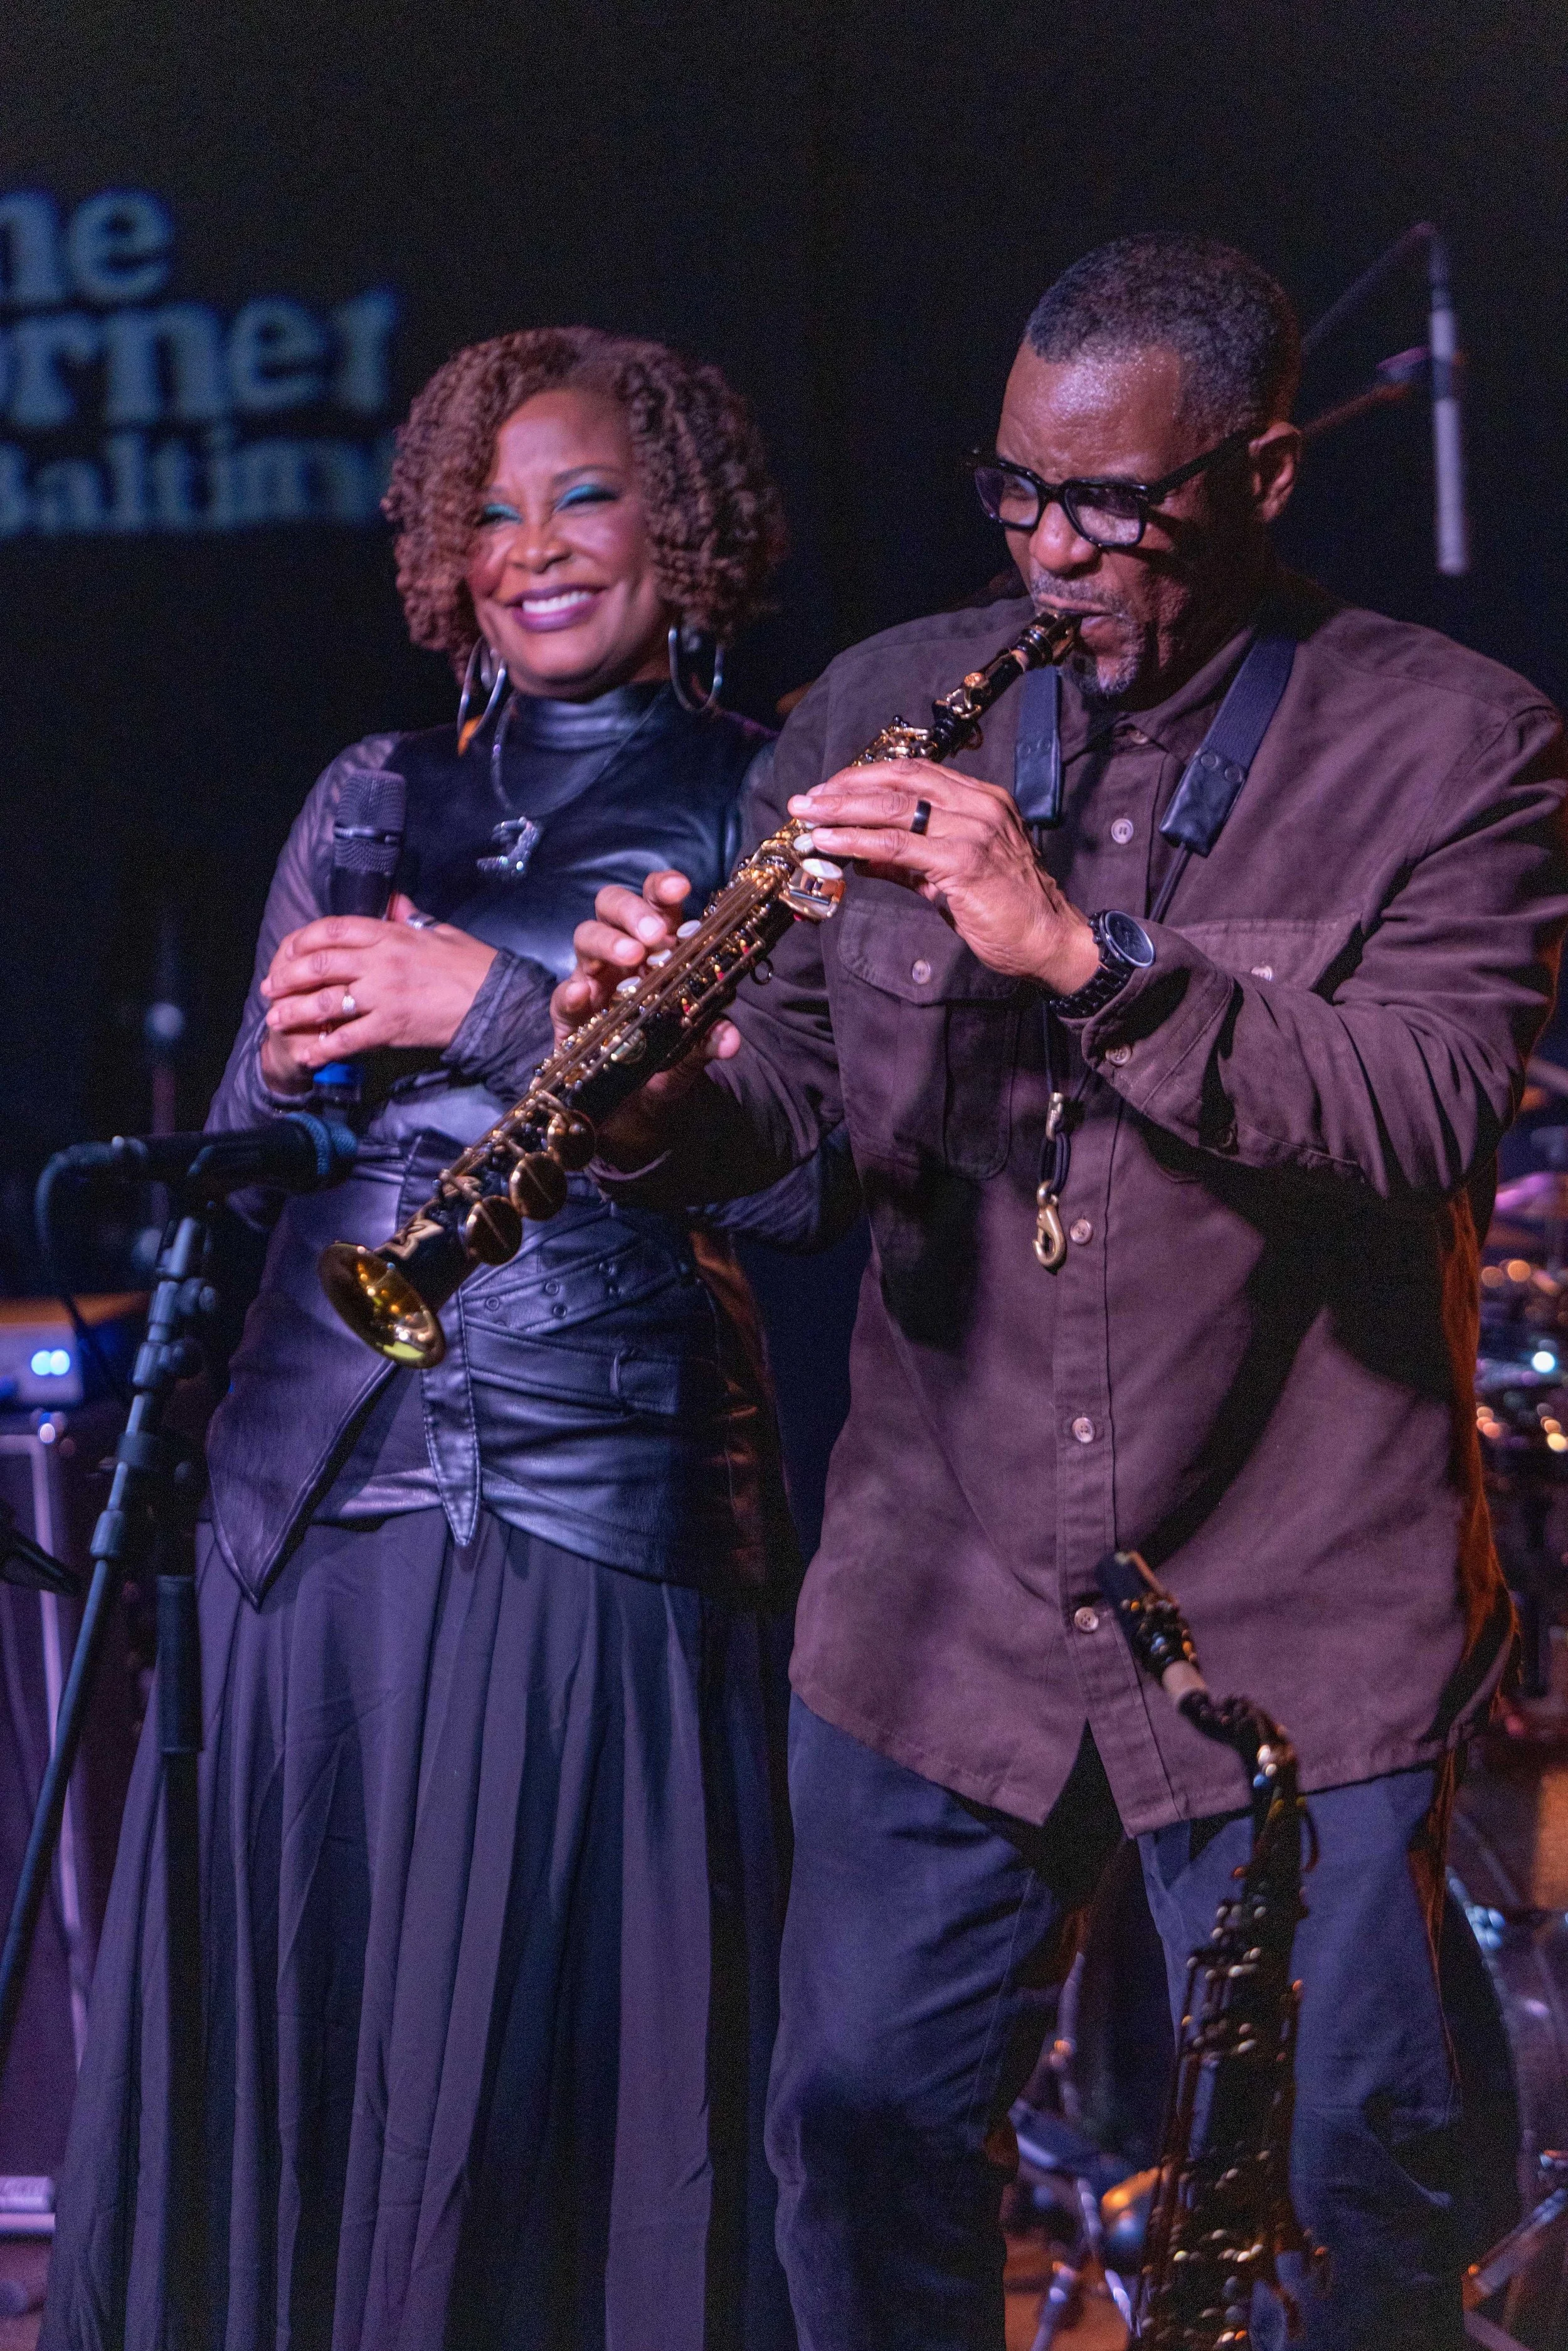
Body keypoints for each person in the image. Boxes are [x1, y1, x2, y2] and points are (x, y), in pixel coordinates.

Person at [557, 236, 1568, 2349]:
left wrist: (1080, 956)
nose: (1053, 549)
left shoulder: (1454, 742)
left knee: (1345, 2189)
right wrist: (664, 1088)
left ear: (1265, 472)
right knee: (849, 2138)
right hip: (942, 1612)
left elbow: (1419, 1110)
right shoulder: (874, 702)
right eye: (1016, 491)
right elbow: (810, 1139)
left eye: (1110, 504)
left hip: (1300, 1611)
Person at [43, 327, 835, 2351]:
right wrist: (299, 1082)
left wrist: (476, 999)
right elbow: (241, 1148)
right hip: (307, 1507)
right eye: (488, 509)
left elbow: (789, 1169)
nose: (532, 546)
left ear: (685, 522)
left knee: (551, 2076)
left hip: (586, 1497)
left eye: (582, 495)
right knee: (302, 2039)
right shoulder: (374, 789)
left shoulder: (772, 792)